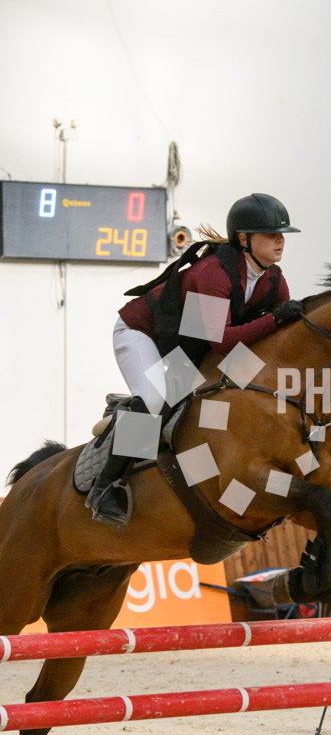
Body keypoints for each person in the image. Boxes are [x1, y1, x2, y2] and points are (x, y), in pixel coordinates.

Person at [86, 192, 304, 528]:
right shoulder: (214, 274)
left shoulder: (273, 279)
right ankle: (106, 485)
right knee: (156, 399)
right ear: (244, 239)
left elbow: (272, 340)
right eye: (270, 234)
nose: (280, 241)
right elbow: (222, 341)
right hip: (142, 333)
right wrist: (275, 319)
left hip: (188, 347)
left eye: (282, 234)